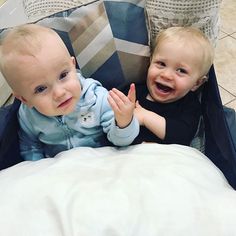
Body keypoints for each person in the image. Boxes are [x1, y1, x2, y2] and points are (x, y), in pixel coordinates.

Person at [0, 24, 139, 161]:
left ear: (73, 65)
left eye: (63, 75)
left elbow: (122, 142)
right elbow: (30, 147)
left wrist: (124, 122)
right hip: (59, 171)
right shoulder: (28, 116)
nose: (59, 93)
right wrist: (37, 169)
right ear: (24, 99)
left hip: (100, 163)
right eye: (41, 89)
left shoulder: (97, 98)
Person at [120, 26, 214, 146]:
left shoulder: (189, 105)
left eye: (181, 71)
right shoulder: (132, 92)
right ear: (150, 63)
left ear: (196, 83)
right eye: (161, 64)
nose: (166, 75)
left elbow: (182, 136)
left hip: (165, 160)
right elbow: (106, 117)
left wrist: (145, 117)